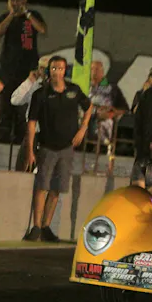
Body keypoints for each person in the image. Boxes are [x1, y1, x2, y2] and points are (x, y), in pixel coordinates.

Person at [23, 56, 93, 242]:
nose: (57, 72)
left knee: (57, 188)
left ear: (65, 71)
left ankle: (46, 225)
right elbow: (32, 123)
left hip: (67, 147)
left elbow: (88, 107)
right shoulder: (41, 94)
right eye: (54, 68)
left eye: (60, 68)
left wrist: (83, 128)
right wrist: (30, 150)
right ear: (49, 70)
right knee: (42, 186)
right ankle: (36, 226)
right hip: (47, 146)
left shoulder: (73, 90)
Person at [0, 0, 47, 143]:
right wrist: (12, 14)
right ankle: (3, 137)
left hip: (27, 70)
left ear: (24, 1)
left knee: (23, 106)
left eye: (18, 0)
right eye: (12, 0)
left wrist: (27, 14)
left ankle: (22, 139)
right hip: (8, 69)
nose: (15, 3)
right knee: (5, 105)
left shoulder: (33, 15)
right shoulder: (5, 16)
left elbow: (42, 29)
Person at [88, 60, 129, 145]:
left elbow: (124, 109)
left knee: (105, 123)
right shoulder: (83, 88)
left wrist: (113, 113)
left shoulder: (112, 89)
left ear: (102, 72)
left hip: (105, 120)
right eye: (92, 69)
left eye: (97, 69)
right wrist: (96, 112)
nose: (94, 72)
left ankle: (104, 144)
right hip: (86, 119)